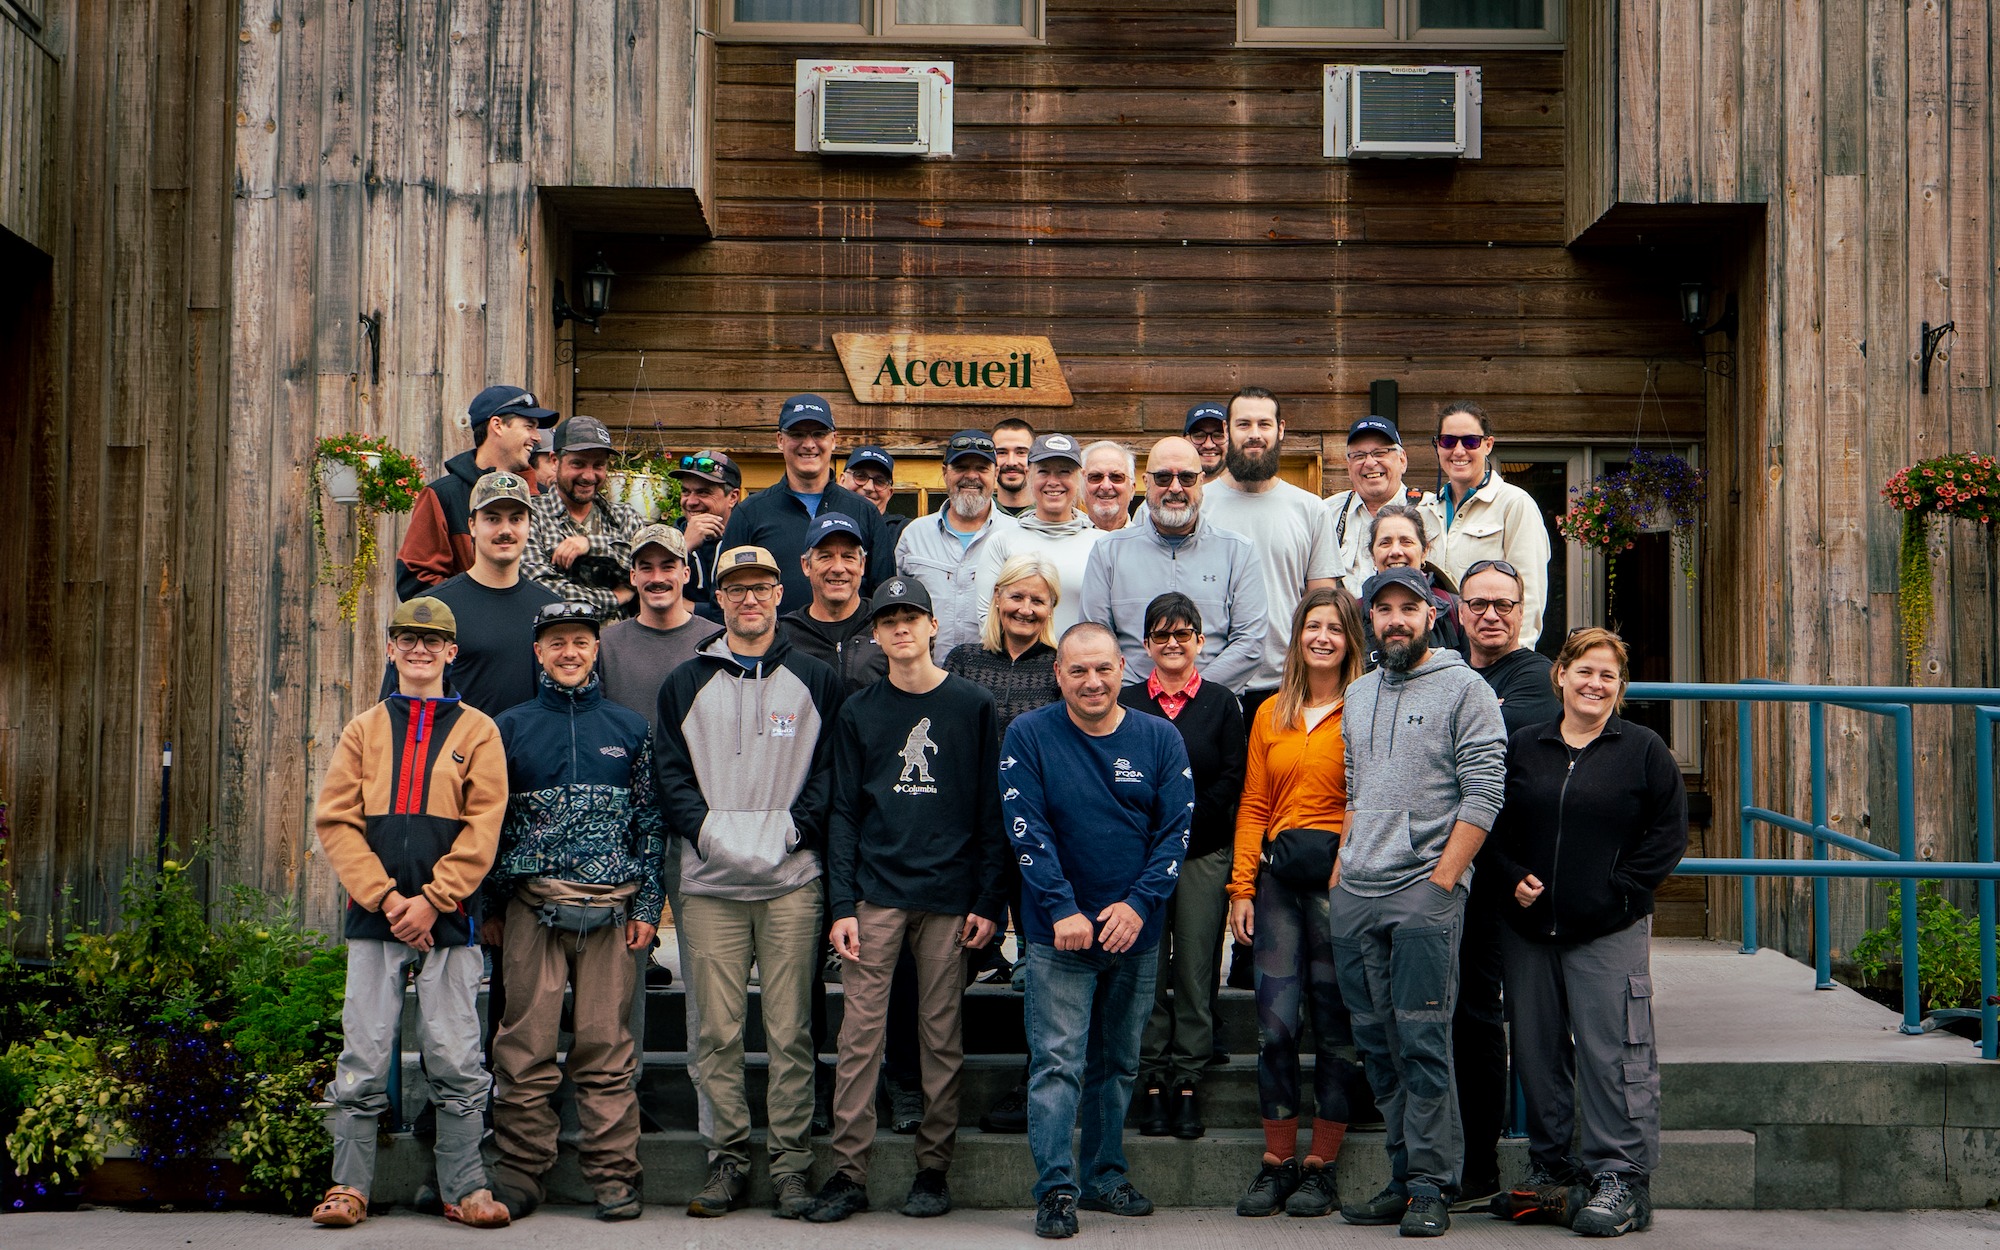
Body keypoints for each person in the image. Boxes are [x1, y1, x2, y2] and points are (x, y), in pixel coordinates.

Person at [806, 577, 1009, 1223]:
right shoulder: (860, 711)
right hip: (877, 893)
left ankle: (932, 1169)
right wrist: (841, 906)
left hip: (950, 897)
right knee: (861, 1036)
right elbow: (842, 812)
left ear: (931, 627)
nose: (899, 629)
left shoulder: (972, 706)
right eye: (886, 619)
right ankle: (847, 1172)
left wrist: (988, 900)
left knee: (940, 1037)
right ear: (875, 634)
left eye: (910, 617)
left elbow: (990, 811)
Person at [654, 545, 842, 1219]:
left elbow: (829, 775)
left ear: (777, 592)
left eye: (761, 586)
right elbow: (671, 778)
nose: (750, 599)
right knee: (717, 1032)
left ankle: (792, 1165)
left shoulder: (817, 680)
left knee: (791, 1031)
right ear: (722, 598)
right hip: (709, 885)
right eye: (736, 589)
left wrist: (792, 832)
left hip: (792, 880)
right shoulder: (684, 683)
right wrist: (710, 835)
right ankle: (726, 1159)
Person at [311, 597, 509, 1230]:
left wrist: (432, 899)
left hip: (450, 921)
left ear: (452, 652)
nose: (420, 650)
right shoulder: (362, 729)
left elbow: (484, 827)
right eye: (407, 640)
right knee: (365, 1051)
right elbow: (337, 820)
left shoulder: (479, 731)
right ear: (391, 649)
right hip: (376, 919)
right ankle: (349, 1186)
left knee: (454, 1053)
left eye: (433, 641)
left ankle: (465, 1187)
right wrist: (389, 898)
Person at [1484, 629, 1686, 1238]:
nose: (1594, 684)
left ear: (1619, 688)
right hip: (1528, 931)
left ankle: (1622, 1178)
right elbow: (1490, 823)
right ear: (1560, 677)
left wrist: (1619, 888)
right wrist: (1510, 876)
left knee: (1614, 1053)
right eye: (1584, 672)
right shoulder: (1523, 746)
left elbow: (1667, 834)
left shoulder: (1643, 749)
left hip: (1609, 928)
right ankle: (1554, 1172)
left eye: (1608, 676)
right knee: (1539, 1053)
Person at [1332, 567, 1506, 1237]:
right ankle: (1403, 1177)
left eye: (1409, 607)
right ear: (1370, 620)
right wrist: (1341, 872)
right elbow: (1355, 787)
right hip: (1357, 892)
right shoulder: (1357, 692)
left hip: (1423, 894)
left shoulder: (1467, 688)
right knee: (1376, 1047)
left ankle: (1434, 1185)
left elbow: (1485, 793)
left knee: (1424, 1042)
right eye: (1384, 610)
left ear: (1433, 614)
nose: (1396, 619)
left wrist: (1443, 884)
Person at [1005, 623, 1193, 1239]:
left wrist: (1139, 905)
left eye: (1103, 669)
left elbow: (1175, 832)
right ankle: (1057, 1191)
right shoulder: (1028, 735)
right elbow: (1025, 827)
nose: (1092, 682)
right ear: (1058, 674)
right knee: (1058, 1064)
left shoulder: (1160, 738)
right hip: (1058, 935)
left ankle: (1105, 1175)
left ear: (1123, 670)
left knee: (1118, 1064)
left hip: (1134, 933)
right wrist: (1062, 909)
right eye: (1078, 671)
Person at [485, 602, 664, 1223]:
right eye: (556, 642)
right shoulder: (506, 729)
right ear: (538, 651)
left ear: (596, 649)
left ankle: (614, 1175)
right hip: (532, 909)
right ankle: (518, 1173)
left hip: (613, 914)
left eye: (581, 642)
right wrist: (491, 905)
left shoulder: (630, 728)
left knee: (605, 1046)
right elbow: (491, 824)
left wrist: (647, 903)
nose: (569, 652)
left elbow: (650, 822)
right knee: (525, 1046)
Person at [1226, 588, 1366, 1220]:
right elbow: (1254, 804)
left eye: (1335, 628)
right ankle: (1277, 1162)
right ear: (1298, 635)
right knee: (1276, 1024)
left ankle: (1321, 1165)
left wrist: (1348, 866)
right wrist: (1242, 887)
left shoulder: (1367, 707)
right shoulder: (1271, 713)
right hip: (1279, 880)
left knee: (1338, 1026)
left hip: (1345, 879)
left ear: (1351, 638)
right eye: (1313, 626)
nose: (1323, 638)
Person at [597, 522, 720, 1113]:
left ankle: (710, 1100)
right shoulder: (609, 644)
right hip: (626, 828)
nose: (657, 577)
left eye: (667, 566)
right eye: (645, 568)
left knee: (704, 968)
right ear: (633, 577)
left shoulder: (716, 639)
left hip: (699, 822)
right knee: (625, 970)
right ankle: (625, 1097)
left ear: (685, 572)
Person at [1452, 557, 1560, 1210]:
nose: (1491, 614)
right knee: (1447, 1014)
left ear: (1523, 612)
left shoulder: (1537, 679)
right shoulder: (1446, 668)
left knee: (1482, 1016)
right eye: (1479, 603)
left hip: (1502, 872)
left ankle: (1481, 1162)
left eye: (1504, 603)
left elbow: (1488, 735)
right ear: (1458, 610)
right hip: (1438, 867)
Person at [943, 551, 1064, 1133]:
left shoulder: (1061, 667)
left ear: (1051, 608)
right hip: (969, 832)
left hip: (1038, 831)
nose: (1026, 608)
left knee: (1039, 964)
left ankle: (1032, 1082)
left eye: (1038, 599)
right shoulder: (964, 661)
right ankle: (929, 1083)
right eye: (1016, 596)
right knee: (948, 960)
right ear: (997, 599)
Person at [1119, 593, 1246, 1144]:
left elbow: (1232, 778)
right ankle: (1150, 1075)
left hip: (1202, 854)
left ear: (1200, 641)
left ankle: (1188, 1077)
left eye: (1183, 633)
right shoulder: (1126, 703)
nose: (1173, 643)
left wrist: (1184, 820)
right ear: (1146, 645)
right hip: (1139, 859)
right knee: (1146, 968)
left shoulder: (1222, 703)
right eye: (1161, 634)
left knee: (1195, 967)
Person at [1080, 436, 1266, 695]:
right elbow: (1097, 640)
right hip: (1131, 711)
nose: (1175, 488)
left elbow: (1251, 643)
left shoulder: (1238, 551)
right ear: (1146, 483)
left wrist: (1192, 692)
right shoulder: (1108, 552)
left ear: (1202, 481)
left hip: (1211, 709)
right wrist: (1146, 696)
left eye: (1187, 478)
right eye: (1164, 478)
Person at [1198, 387, 1340, 725]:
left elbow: (1321, 602)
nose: (1254, 435)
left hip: (1285, 685)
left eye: (1264, 424)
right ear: (1226, 432)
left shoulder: (1310, 509)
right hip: (1205, 682)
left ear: (1280, 430)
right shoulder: (1198, 505)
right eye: (1243, 425)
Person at [376, 471, 559, 715]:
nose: (505, 530)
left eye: (516, 519)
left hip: (527, 752)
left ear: (529, 525)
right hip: (455, 751)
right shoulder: (433, 609)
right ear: (471, 525)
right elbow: (393, 709)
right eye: (492, 519)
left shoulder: (550, 610)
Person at [719, 393, 894, 611]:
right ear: (780, 441)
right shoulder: (750, 513)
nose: (809, 444)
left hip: (850, 643)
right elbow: (725, 598)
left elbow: (884, 596)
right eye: (797, 434)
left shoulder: (864, 511)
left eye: (819, 434)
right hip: (774, 643)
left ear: (833, 440)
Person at [396, 385, 559, 599]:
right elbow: (415, 581)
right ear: (497, 425)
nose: (537, 437)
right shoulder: (444, 496)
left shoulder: (546, 497)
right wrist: (477, 607)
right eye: (529, 426)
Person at [1421, 400, 1551, 648]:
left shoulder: (1515, 504)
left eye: (1470, 442)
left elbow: (1530, 595)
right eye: (1448, 441)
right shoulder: (1425, 511)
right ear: (1438, 446)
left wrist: (1514, 660)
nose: (1458, 451)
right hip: (1437, 657)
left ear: (1488, 445)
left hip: (1492, 656)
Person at [895, 429, 1019, 654]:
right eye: (961, 467)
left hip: (994, 678)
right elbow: (896, 612)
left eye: (981, 468)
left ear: (996, 473)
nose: (971, 476)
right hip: (927, 677)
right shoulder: (914, 535)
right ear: (945, 472)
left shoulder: (1016, 536)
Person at [979, 433, 1102, 640]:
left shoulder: (1101, 544)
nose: (1053, 482)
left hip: (1079, 668)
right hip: (1018, 669)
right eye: (1044, 472)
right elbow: (986, 619)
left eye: (1064, 472)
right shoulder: (1002, 542)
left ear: (1080, 477)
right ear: (1028, 475)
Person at [521, 416, 645, 617]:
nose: (589, 476)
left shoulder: (626, 517)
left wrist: (591, 545)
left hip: (621, 644)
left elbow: (646, 571)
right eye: (578, 464)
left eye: (598, 465)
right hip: (559, 644)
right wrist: (615, 597)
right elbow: (541, 589)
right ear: (555, 461)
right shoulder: (531, 515)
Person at [779, 511, 888, 694]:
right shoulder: (784, 635)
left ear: (862, 565)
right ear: (806, 565)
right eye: (825, 556)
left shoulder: (885, 624)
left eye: (848, 557)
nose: (838, 568)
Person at [1327, 416, 1434, 599]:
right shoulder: (1327, 513)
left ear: (1402, 460)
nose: (1369, 463)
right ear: (1349, 467)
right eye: (1359, 456)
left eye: (1380, 453)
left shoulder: (1430, 510)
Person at [1360, 504, 1467, 665]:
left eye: (1406, 542)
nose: (1395, 551)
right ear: (1373, 555)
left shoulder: (1454, 610)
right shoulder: (1353, 614)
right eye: (1385, 543)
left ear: (1424, 551)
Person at [671, 449, 742, 618]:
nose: (691, 501)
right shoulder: (666, 540)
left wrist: (687, 606)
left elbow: (741, 610)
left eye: (703, 492)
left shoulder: (748, 539)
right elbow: (652, 600)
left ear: (732, 497)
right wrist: (683, 547)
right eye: (686, 492)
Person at [842, 444, 908, 546]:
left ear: (889, 494)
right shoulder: (822, 522)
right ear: (842, 481)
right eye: (860, 476)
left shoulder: (903, 532)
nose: (869, 487)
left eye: (880, 481)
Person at [1082, 440, 1136, 533]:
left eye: (1116, 477)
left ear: (1132, 489)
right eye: (1096, 477)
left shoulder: (1149, 544)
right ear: (1082, 486)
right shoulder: (1066, 543)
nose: (1106, 486)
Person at [992, 417, 1036, 517]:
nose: (1011, 462)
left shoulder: (1050, 515)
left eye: (1021, 452)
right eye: (1002, 452)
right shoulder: (980, 514)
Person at [1184, 401, 1228, 481]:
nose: (1208, 445)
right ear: (1184, 441)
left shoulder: (1247, 490)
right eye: (1199, 436)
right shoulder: (1172, 489)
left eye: (1218, 436)